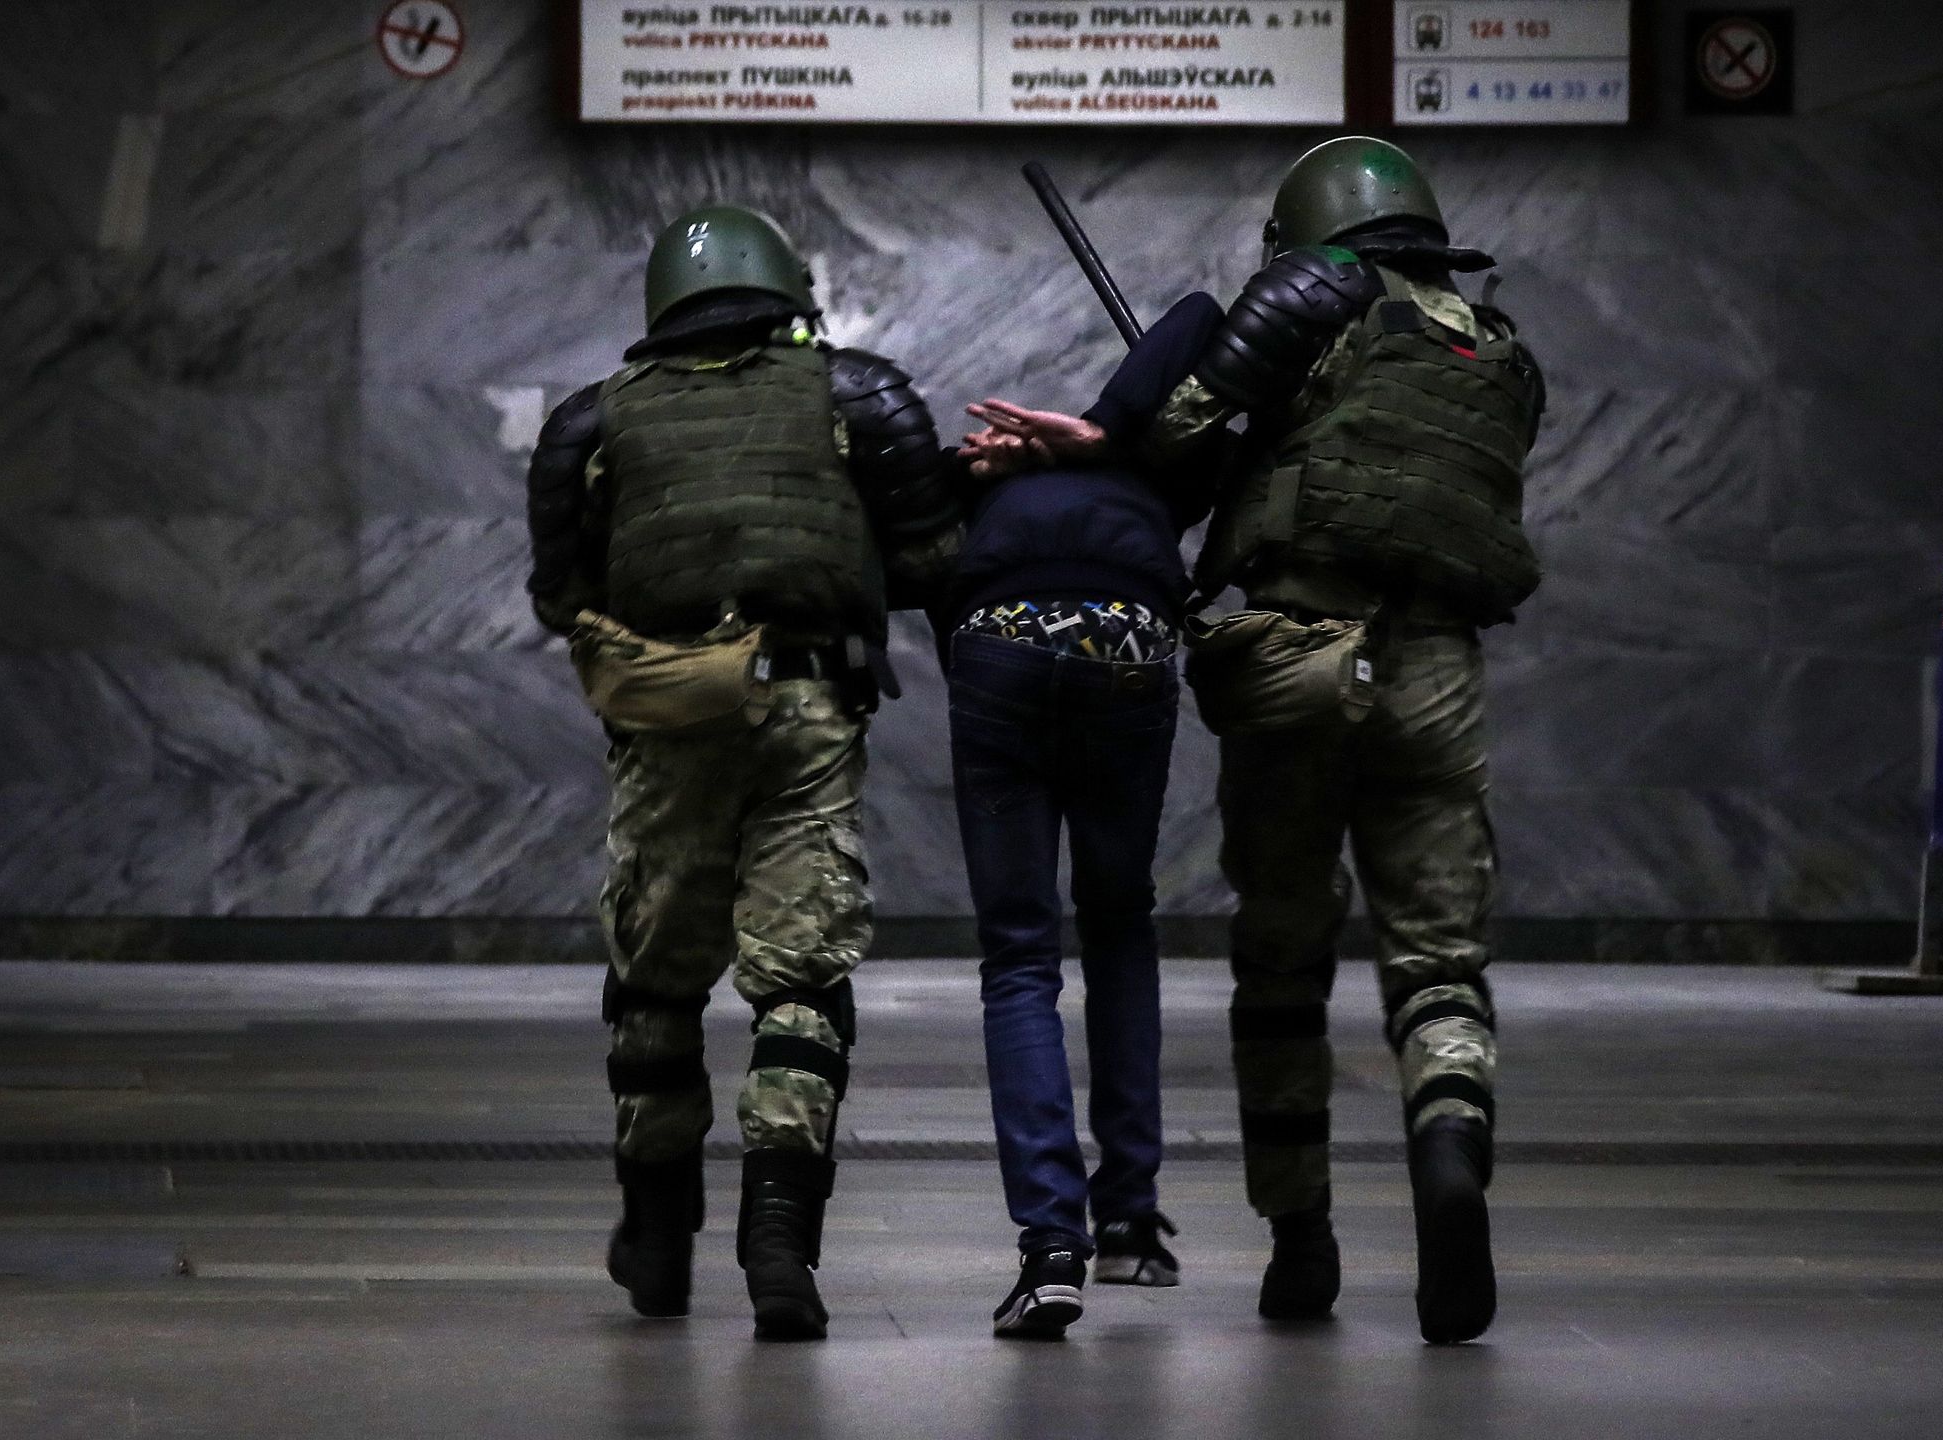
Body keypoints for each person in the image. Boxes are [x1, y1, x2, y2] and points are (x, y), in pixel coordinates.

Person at [964, 136, 1544, 1345]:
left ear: (1306, 230)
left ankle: (1302, 1241)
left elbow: (1179, 432)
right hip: (1436, 666)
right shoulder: (1493, 353)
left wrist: (1115, 438)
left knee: (1282, 960)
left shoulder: (1304, 290)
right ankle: (1447, 1136)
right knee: (1438, 958)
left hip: (1299, 658)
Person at [524, 204, 961, 1340]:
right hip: (807, 702)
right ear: (788, 293)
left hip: (669, 713)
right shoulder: (858, 393)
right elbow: (932, 556)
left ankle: (656, 1234)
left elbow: (557, 594)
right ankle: (780, 1239)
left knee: (656, 979)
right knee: (800, 973)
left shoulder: (589, 421)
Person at [942, 299, 1219, 1338]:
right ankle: (1132, 1224)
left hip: (1001, 643)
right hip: (1126, 640)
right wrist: (1103, 433)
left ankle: (1050, 1246)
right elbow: (1198, 320)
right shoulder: (1166, 477)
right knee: (1118, 928)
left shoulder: (1124, 463)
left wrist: (1090, 429)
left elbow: (1194, 316)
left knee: (1018, 957)